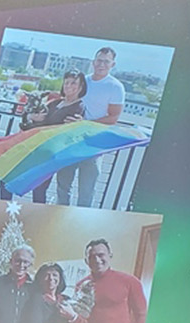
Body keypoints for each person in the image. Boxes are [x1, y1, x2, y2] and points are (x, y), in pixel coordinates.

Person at [0, 70, 87, 203]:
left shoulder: (78, 107)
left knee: (38, 190)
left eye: (73, 83)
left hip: (48, 155)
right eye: (67, 82)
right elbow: (33, 123)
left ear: (81, 87)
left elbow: (63, 131)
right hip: (34, 149)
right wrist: (30, 117)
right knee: (7, 179)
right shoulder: (54, 103)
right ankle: (4, 213)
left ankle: (36, 221)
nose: (69, 86)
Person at [54, 48, 125, 207]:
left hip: (93, 143)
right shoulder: (82, 81)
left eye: (106, 61)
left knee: (86, 190)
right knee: (63, 186)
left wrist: (84, 124)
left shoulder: (115, 87)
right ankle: (59, 222)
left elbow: (113, 117)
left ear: (112, 64)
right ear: (93, 62)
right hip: (71, 141)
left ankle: (80, 227)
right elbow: (65, 100)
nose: (101, 64)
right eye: (99, 60)